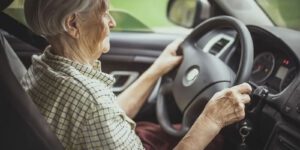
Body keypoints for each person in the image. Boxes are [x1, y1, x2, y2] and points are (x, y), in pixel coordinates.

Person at [21, 0, 252, 149]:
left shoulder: (44, 65)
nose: (111, 22)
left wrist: (157, 69)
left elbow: (104, 115)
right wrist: (211, 119)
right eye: (104, 14)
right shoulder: (91, 101)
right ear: (73, 24)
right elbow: (97, 110)